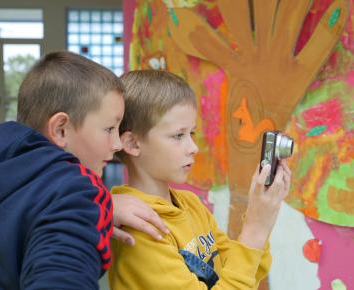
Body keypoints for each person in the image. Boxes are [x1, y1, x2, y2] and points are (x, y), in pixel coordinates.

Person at [0, 52, 168, 290]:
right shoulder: (79, 190)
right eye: (109, 128)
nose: (117, 144)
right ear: (61, 129)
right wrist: (93, 203)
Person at [108, 70, 291, 289]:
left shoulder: (191, 205)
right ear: (133, 144)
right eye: (178, 135)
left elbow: (243, 273)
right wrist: (255, 227)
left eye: (192, 134)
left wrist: (261, 218)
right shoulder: (140, 228)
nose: (193, 148)